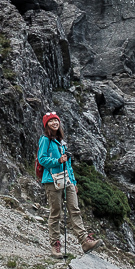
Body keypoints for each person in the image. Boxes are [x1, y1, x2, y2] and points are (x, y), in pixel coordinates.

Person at [37, 111, 102, 258]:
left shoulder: (61, 141)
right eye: (51, 121)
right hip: (52, 180)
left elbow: (68, 164)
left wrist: (73, 181)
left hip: (66, 180)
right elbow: (42, 159)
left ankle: (85, 241)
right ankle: (55, 245)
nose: (55, 123)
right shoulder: (45, 140)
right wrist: (57, 161)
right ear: (46, 124)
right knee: (56, 212)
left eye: (56, 120)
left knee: (75, 209)